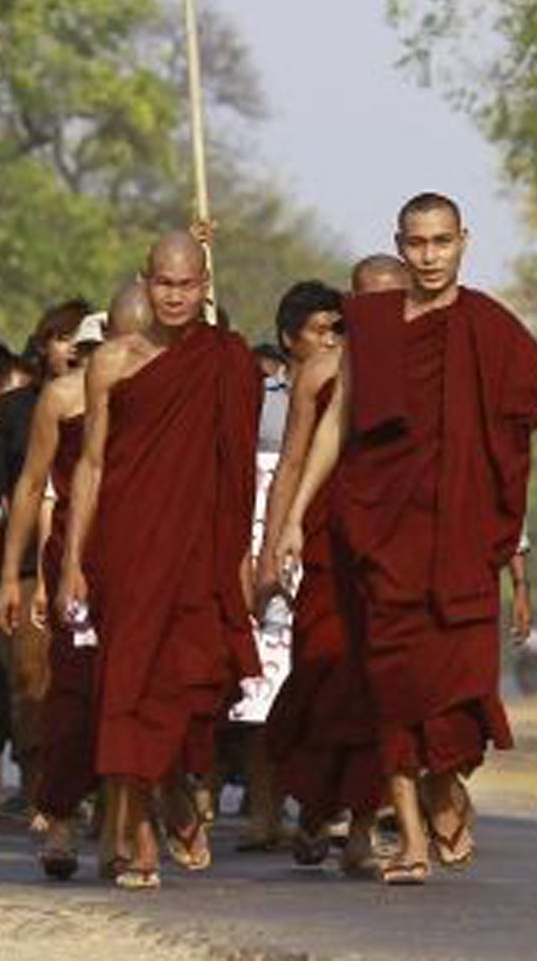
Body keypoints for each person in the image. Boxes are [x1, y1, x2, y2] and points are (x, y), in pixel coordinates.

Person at [275, 194, 537, 884]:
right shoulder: (374, 326)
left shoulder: (491, 328)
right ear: (400, 241)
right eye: (416, 243)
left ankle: (445, 783)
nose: (428, 256)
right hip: (381, 536)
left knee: (457, 687)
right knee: (389, 688)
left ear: (463, 243)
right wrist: (300, 513)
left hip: (459, 542)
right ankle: (411, 842)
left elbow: (514, 429)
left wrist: (515, 555)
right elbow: (337, 427)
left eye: (440, 242)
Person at [56, 232, 263, 891]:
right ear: (145, 281)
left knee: (188, 687)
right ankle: (139, 827)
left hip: (200, 551)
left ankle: (173, 785)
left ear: (206, 286)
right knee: (128, 684)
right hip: (128, 547)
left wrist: (242, 555)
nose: (174, 296)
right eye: (163, 283)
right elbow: (89, 465)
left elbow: (237, 470)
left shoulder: (226, 360)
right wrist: (71, 562)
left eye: (188, 284)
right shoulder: (111, 363)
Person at [258, 258, 405, 875]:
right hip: (328, 542)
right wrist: (270, 545)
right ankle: (318, 805)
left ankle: (363, 829)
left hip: (397, 545)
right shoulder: (321, 368)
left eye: (394, 299)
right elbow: (291, 462)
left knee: (381, 686)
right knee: (322, 672)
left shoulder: (426, 365)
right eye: (368, 300)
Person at [0, 298, 89, 819]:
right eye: (62, 337)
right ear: (43, 344)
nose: (73, 347)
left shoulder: (115, 400)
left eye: (84, 338)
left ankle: (89, 790)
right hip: (30, 562)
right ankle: (39, 788)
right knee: (31, 679)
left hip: (95, 562)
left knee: (87, 677)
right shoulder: (16, 409)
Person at [223, 279, 345, 855]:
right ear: (287, 338)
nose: (330, 340)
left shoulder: (353, 388)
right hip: (263, 543)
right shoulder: (259, 399)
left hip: (324, 539)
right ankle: (264, 811)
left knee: (324, 676)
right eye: (319, 330)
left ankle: (320, 809)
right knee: (263, 687)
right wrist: (254, 554)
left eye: (337, 329)